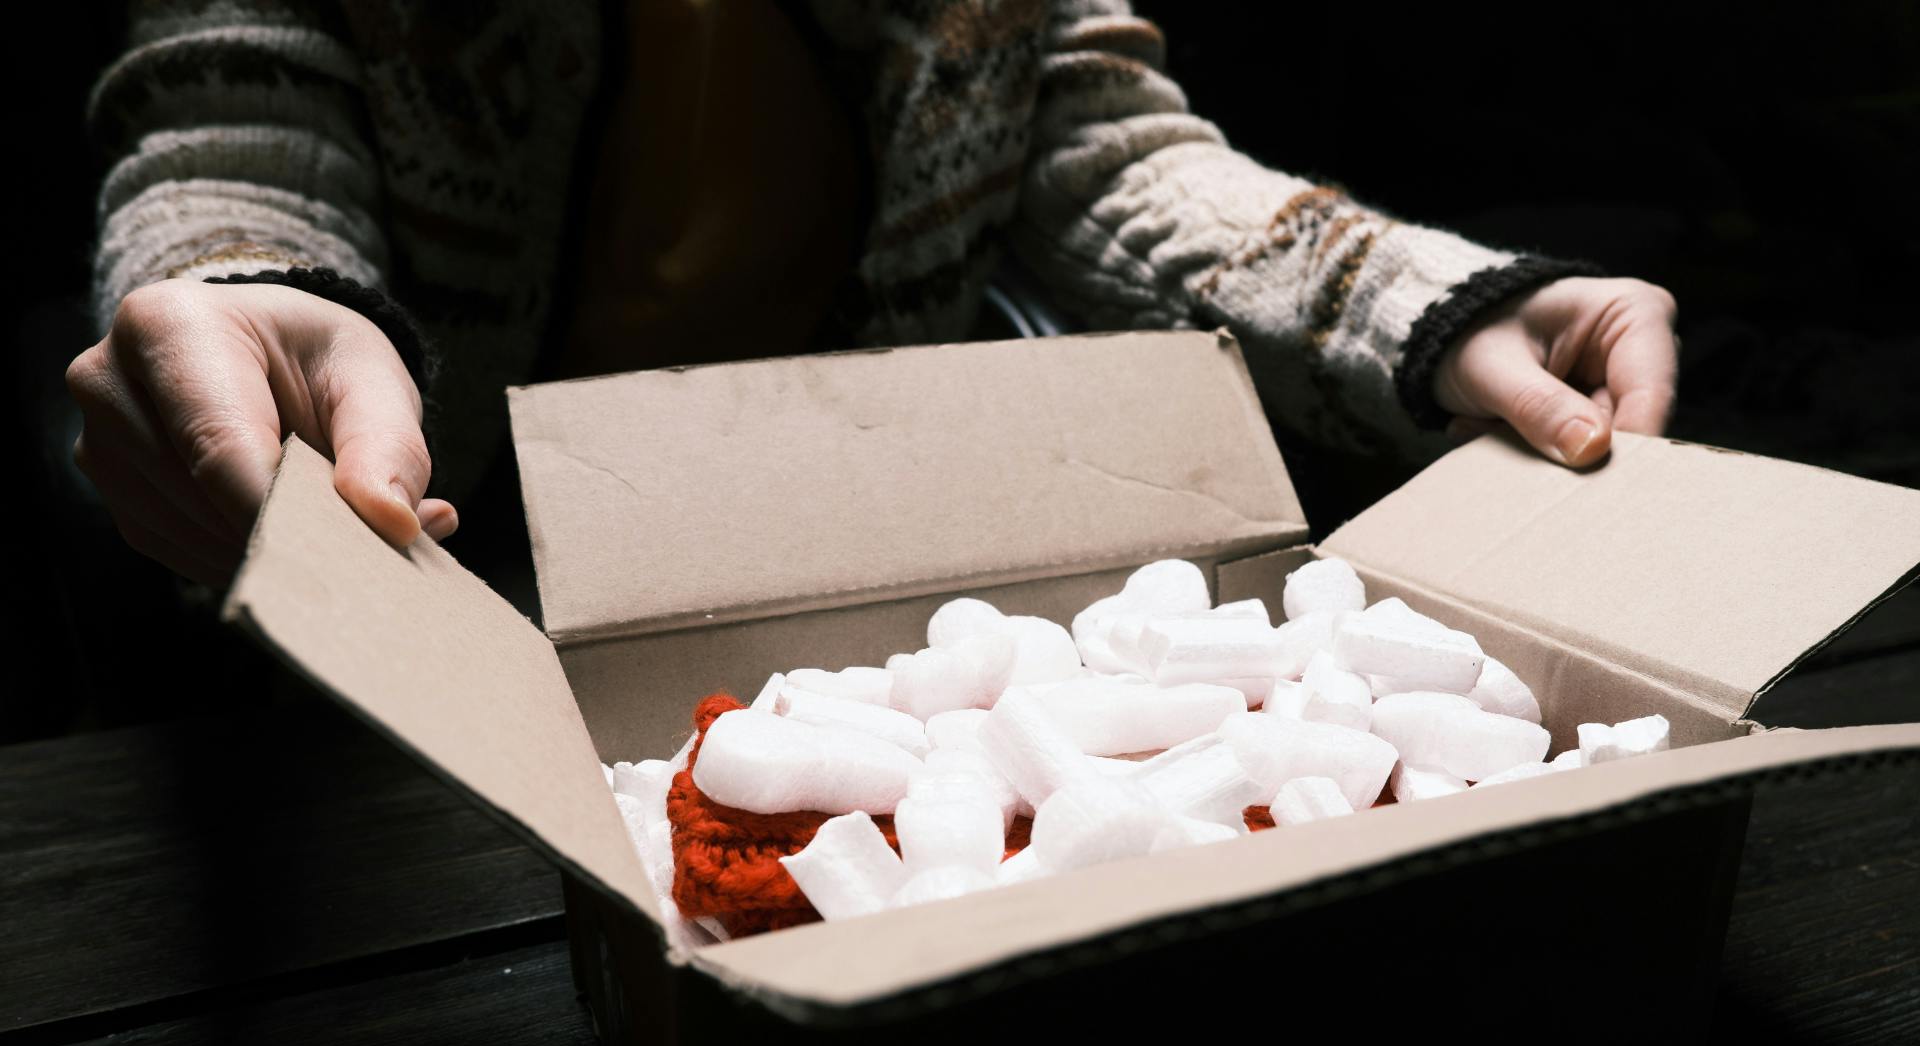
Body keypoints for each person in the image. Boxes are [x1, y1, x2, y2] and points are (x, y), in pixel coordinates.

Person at [69, 0, 1678, 587]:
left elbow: (1107, 155)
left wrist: (1437, 305)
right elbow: (229, 121)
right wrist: (243, 292)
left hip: (861, 551)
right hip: (455, 574)